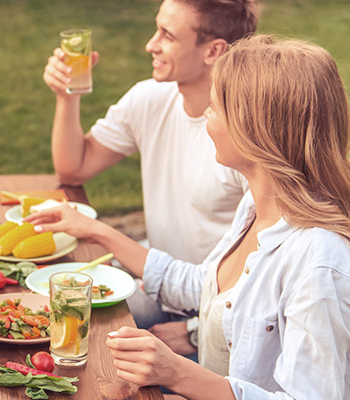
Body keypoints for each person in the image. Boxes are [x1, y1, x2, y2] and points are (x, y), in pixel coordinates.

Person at [29, 34, 350, 399]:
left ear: (252, 129)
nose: (206, 119)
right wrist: (94, 229)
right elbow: (204, 286)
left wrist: (177, 374)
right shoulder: (256, 208)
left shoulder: (319, 263)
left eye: (214, 109)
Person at [42, 0, 258, 355]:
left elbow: (264, 273)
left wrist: (194, 332)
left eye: (168, 36)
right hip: (157, 289)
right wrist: (67, 97)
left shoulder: (241, 140)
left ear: (214, 51)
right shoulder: (150, 99)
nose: (150, 44)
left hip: (219, 319)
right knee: (50, 320)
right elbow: (73, 167)